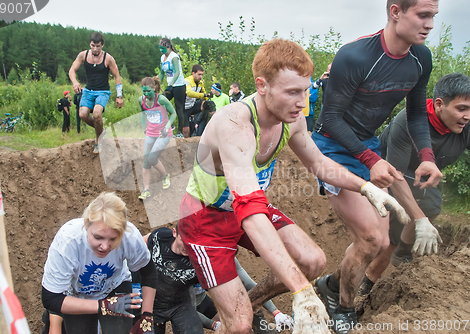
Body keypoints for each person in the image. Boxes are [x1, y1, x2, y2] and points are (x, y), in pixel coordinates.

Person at [178, 38, 409, 334]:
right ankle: (236, 319)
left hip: (248, 204)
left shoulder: (292, 119)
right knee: (240, 326)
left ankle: (246, 304)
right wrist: (301, 291)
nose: (302, 102)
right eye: (292, 92)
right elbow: (249, 211)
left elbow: (320, 164)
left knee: (313, 261)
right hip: (205, 218)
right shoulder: (235, 126)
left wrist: (365, 187)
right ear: (262, 86)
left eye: (306, 90)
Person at [311, 1, 442, 332]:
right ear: (396, 11)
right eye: (422, 15)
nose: (429, 24)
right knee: (370, 239)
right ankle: (342, 308)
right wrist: (371, 159)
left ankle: (330, 285)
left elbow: (415, 112)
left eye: (433, 17)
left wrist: (427, 155)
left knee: (382, 244)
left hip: (367, 144)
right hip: (331, 147)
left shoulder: (421, 57)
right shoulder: (355, 56)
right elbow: (330, 117)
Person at [358, 72, 470, 295]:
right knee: (395, 227)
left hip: (422, 175)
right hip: (388, 170)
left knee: (406, 226)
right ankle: (362, 279)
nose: (467, 116)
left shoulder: (466, 127)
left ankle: (373, 277)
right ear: (439, 104)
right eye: (461, 108)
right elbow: (394, 176)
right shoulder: (408, 121)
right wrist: (420, 219)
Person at [41, 192, 157, 334]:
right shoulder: (68, 241)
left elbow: (149, 272)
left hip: (115, 287)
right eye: (98, 237)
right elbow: (50, 298)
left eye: (113, 239)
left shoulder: (130, 236)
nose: (105, 246)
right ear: (86, 224)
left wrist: (147, 316)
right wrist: (102, 306)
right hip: (77, 294)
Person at [68, 32, 124, 154]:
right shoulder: (83, 55)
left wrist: (119, 96)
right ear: (90, 44)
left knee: (97, 114)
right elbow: (72, 69)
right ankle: (101, 130)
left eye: (98, 46)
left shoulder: (108, 59)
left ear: (102, 45)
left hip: (103, 92)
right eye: (93, 45)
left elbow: (117, 76)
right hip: (88, 91)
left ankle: (98, 141)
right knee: (82, 114)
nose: (95, 49)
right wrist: (75, 82)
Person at [141, 226, 203, 334]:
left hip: (180, 305)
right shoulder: (160, 236)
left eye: (192, 243)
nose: (187, 247)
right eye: (184, 240)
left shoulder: (200, 260)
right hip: (153, 304)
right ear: (174, 233)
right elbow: (144, 241)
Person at [137, 77, 176, 200]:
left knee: (152, 158)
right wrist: (144, 127)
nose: (146, 94)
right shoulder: (141, 100)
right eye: (144, 91)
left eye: (148, 91)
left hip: (163, 133)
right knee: (146, 161)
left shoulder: (161, 99)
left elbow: (174, 113)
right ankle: (146, 190)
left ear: (154, 88)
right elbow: (143, 113)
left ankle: (165, 176)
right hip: (150, 133)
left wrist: (166, 127)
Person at [158, 38, 186, 138]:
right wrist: (157, 85)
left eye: (162, 48)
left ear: (168, 47)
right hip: (170, 85)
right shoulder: (162, 58)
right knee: (159, 102)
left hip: (179, 85)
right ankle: (171, 124)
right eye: (159, 48)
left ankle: (180, 133)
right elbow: (161, 73)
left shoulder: (174, 57)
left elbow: (177, 72)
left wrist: (171, 85)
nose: (161, 50)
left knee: (179, 108)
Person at [183, 64, 213, 138]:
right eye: (199, 74)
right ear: (193, 73)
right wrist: (204, 95)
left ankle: (214, 124)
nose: (201, 77)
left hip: (192, 106)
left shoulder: (200, 83)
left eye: (202, 75)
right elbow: (190, 93)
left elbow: (204, 94)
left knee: (209, 104)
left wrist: (208, 97)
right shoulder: (187, 81)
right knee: (187, 132)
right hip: (184, 109)